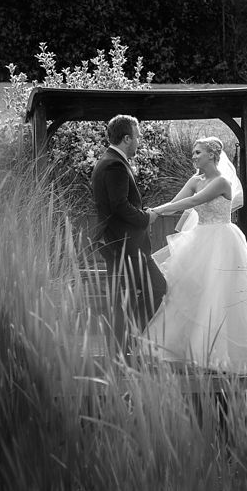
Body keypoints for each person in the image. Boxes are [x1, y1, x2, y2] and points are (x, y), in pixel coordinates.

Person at [140, 136, 247, 373]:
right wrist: (155, 212)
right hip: (200, 239)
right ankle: (195, 351)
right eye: (193, 152)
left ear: (212, 155)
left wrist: (156, 211)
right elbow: (178, 201)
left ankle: (228, 354)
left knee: (224, 293)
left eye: (198, 152)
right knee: (194, 291)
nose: (194, 156)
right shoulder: (196, 179)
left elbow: (194, 200)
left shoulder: (221, 181)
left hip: (223, 240)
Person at [90, 115, 168, 353]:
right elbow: (119, 206)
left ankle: (123, 347)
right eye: (137, 137)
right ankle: (130, 340)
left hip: (118, 242)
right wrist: (146, 217)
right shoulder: (115, 165)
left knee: (125, 298)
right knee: (157, 287)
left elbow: (118, 203)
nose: (139, 142)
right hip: (126, 244)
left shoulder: (108, 160)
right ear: (126, 138)